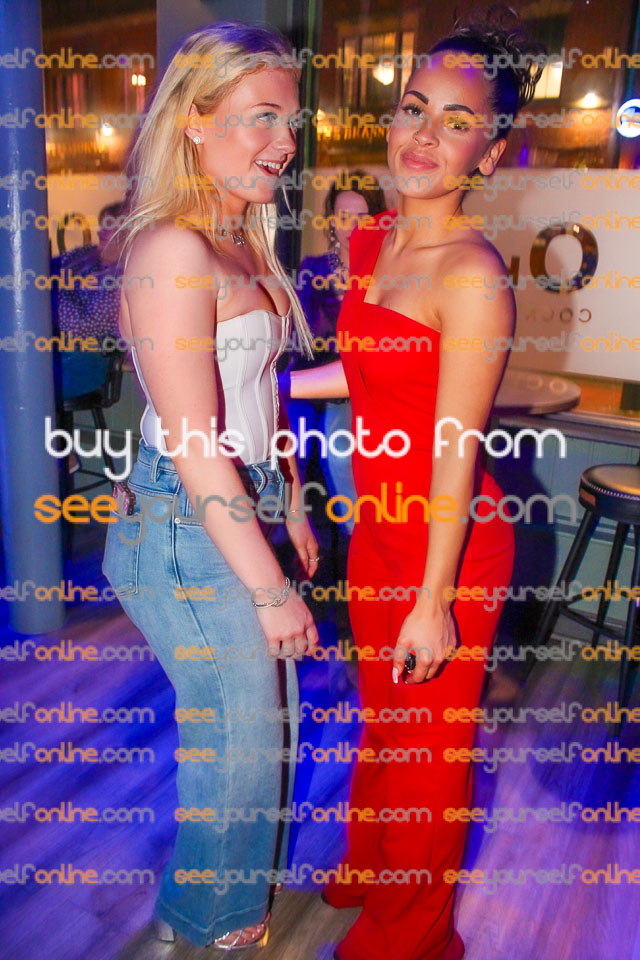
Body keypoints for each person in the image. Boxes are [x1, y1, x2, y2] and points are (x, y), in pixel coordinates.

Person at [286, 12, 544, 960]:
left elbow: (455, 448)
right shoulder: (376, 243)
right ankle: (373, 863)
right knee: (385, 723)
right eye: (413, 108)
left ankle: (414, 935)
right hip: (379, 530)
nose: (425, 135)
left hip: (451, 550)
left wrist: (435, 601)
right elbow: (365, 372)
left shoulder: (473, 276)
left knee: (432, 754)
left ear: (491, 152)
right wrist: (269, 384)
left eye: (458, 122)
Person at [101, 21, 320, 950]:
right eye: (260, 116)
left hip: (244, 503)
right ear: (194, 119)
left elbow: (261, 391)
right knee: (237, 739)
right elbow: (194, 440)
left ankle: (234, 905)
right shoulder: (173, 249)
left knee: (271, 729)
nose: (284, 141)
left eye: (290, 121)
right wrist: (269, 589)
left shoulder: (246, 241)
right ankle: (201, 927)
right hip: (184, 522)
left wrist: (291, 504)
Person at [285, 171, 386, 533]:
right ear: (330, 219)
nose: (351, 226)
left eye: (362, 217)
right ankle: (283, 539)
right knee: (287, 451)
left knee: (341, 456)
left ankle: (360, 542)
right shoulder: (314, 268)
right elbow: (298, 332)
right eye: (343, 216)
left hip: (356, 384)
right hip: (310, 377)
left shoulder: (384, 272)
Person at [50, 201, 125, 400]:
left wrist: (48, 295)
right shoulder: (85, 254)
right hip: (52, 351)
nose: (100, 231)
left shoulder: (124, 278)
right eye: (102, 225)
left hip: (83, 361)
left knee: (18, 376)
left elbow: (79, 326)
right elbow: (41, 270)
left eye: (109, 226)